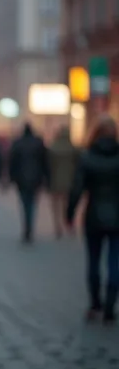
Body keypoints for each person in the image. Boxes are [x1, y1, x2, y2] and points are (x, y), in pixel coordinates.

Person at [67, 115, 119, 325]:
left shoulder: (87, 157)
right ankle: (110, 305)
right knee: (115, 262)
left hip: (94, 216)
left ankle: (95, 304)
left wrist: (69, 214)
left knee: (94, 261)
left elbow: (77, 189)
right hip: (118, 217)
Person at [8, 123, 49, 243]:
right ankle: (29, 227)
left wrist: (11, 177)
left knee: (24, 203)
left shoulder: (18, 143)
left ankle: (27, 227)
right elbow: (45, 162)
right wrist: (46, 178)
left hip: (21, 179)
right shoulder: (38, 143)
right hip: (36, 179)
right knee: (32, 204)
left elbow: (12, 162)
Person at [47, 125, 79, 238]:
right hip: (70, 181)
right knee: (68, 205)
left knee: (56, 206)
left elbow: (48, 166)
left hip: (55, 180)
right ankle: (68, 223)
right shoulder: (73, 150)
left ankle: (57, 226)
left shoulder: (52, 149)